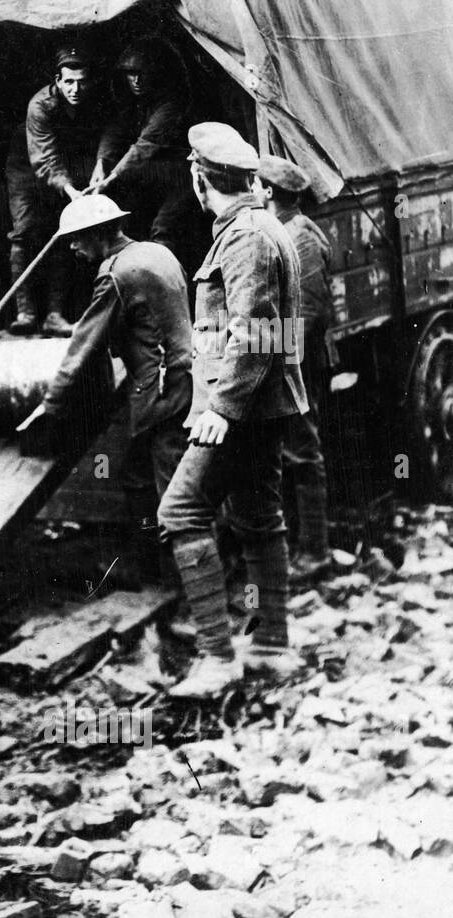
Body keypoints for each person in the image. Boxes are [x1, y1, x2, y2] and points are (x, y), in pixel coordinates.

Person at [157, 123, 309, 697]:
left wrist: (222, 406)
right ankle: (271, 646)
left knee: (180, 511)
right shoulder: (261, 227)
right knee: (257, 516)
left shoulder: (245, 237)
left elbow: (255, 329)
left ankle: (218, 658)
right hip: (261, 406)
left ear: (200, 180)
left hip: (241, 409)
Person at [22, 195, 192, 583]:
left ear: (99, 234)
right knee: (138, 476)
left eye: (77, 238)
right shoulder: (157, 253)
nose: (72, 247)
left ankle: (188, 589)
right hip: (183, 381)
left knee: (176, 494)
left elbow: (84, 344)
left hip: (161, 392)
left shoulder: (115, 274)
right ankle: (149, 566)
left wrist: (50, 406)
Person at [257, 155, 334, 583]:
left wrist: (282, 369)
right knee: (288, 456)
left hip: (296, 367)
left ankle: (316, 552)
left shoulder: (300, 237)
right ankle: (294, 548)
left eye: (255, 185)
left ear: (268, 192)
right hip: (286, 363)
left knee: (303, 455)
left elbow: (309, 314)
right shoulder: (281, 230)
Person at [5, 46, 109, 336]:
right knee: (24, 231)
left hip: (66, 166)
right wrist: (70, 190)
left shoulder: (95, 100)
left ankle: (54, 315)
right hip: (28, 167)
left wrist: (102, 162)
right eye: (69, 82)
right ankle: (25, 312)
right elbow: (44, 159)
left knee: (65, 231)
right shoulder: (39, 106)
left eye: (82, 82)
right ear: (57, 81)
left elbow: (111, 130)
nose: (76, 89)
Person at [90, 37, 195, 262]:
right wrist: (101, 162)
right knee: (131, 225)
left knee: (164, 229)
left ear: (156, 73)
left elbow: (146, 144)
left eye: (142, 73)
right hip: (151, 176)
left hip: (181, 177)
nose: (136, 80)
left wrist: (112, 176)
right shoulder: (134, 101)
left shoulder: (171, 102)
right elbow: (115, 129)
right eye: (130, 73)